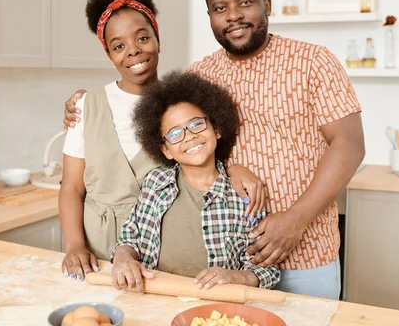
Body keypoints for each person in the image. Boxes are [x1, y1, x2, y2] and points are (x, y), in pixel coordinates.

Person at [63, 0, 365, 300]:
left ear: (267, 4)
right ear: (210, 16)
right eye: (221, 9)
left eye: (246, 3)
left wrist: (295, 220)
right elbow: (189, 145)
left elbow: (349, 145)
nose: (233, 16)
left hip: (306, 252)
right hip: (228, 263)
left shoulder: (314, 61)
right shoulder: (201, 74)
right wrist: (232, 166)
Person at [110, 71, 280, 292]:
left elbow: (268, 269)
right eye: (175, 133)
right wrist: (123, 257)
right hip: (155, 296)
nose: (189, 136)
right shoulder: (155, 182)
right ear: (165, 150)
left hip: (216, 309)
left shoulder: (244, 194)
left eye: (196, 124)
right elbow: (131, 236)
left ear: (216, 129)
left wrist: (237, 277)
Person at [58, 0, 163, 282]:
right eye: (119, 46)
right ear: (109, 54)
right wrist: (75, 245)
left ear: (157, 38)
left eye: (142, 37)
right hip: (98, 252)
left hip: (161, 248)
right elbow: (72, 187)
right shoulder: (87, 105)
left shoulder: (180, 105)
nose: (133, 51)